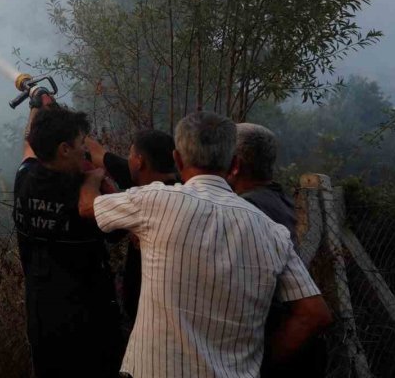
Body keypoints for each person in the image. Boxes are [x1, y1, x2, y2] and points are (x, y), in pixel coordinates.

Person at [85, 111, 332, 378]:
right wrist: (261, 362)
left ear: (178, 159)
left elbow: (89, 207)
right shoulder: (273, 231)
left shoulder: (156, 202)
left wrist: (91, 179)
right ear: (233, 163)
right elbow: (314, 313)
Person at [13, 101, 123, 378]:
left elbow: (29, 148)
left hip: (41, 315)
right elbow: (118, 231)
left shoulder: (25, 177)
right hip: (89, 324)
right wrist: (94, 181)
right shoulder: (82, 193)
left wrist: (36, 104)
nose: (84, 149)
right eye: (79, 143)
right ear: (64, 149)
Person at [229, 123, 327, 377]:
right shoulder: (277, 199)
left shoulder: (247, 211)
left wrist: (264, 363)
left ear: (235, 164)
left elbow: (311, 313)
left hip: (280, 346)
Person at [87, 130, 177, 322]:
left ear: (139, 162)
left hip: (147, 312)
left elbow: (88, 206)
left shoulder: (142, 200)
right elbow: (100, 155)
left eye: (130, 155)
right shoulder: (185, 190)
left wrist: (92, 179)